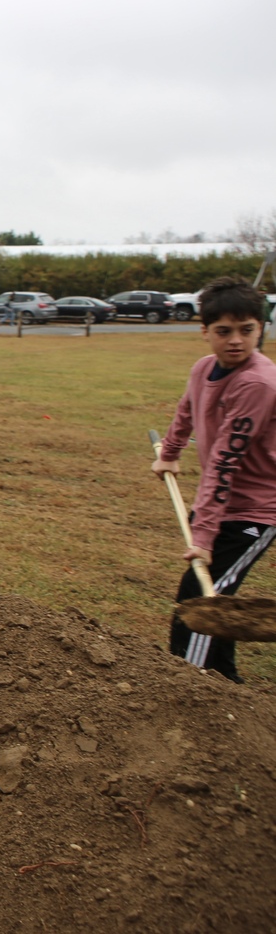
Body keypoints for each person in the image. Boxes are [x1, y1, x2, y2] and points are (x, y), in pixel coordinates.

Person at [152, 277, 276, 684]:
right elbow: (186, 411)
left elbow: (225, 463)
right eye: (224, 331)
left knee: (201, 606)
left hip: (256, 510)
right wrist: (169, 454)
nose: (236, 341)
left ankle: (193, 686)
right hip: (225, 505)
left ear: (262, 328)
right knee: (211, 599)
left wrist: (202, 537)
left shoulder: (257, 383)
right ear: (204, 331)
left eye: (247, 330)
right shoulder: (204, 368)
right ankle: (225, 681)